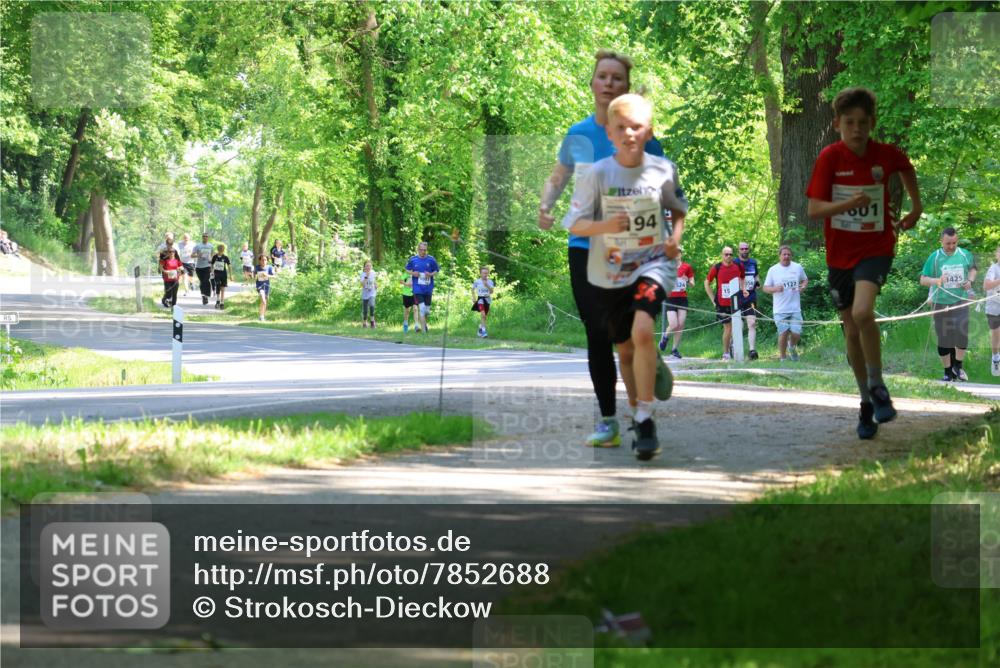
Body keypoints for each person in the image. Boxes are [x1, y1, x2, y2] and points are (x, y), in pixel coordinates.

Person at [537, 49, 668, 448]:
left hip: (630, 251)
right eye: (602, 76)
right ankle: (609, 419)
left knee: (626, 340)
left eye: (617, 78)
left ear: (626, 88)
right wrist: (546, 204)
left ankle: (640, 410)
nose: (609, 83)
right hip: (584, 248)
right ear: (593, 83)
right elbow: (558, 177)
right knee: (598, 333)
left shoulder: (646, 140)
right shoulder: (578, 135)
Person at [564, 93, 687, 461]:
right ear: (610, 132)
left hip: (652, 264)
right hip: (612, 270)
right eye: (622, 128)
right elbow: (575, 223)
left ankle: (646, 418)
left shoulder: (662, 169)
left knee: (643, 331)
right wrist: (606, 224)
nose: (630, 134)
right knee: (627, 348)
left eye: (637, 127)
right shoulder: (599, 173)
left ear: (648, 131)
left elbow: (677, 209)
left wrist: (674, 242)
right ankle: (637, 411)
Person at [806, 86, 922, 440]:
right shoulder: (830, 158)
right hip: (839, 254)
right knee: (851, 331)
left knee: (862, 312)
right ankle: (865, 403)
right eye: (849, 123)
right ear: (837, 124)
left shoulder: (885, 155)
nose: (856, 129)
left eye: (862, 123)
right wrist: (847, 204)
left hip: (876, 246)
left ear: (872, 123)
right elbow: (813, 210)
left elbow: (906, 168)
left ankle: (878, 384)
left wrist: (915, 208)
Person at [919, 227, 977, 382]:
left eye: (954, 243)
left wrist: (970, 281)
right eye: (948, 243)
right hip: (940, 302)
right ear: (941, 242)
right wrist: (935, 281)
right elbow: (923, 279)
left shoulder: (965, 255)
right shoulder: (935, 257)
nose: (951, 246)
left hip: (960, 300)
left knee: (962, 332)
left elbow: (973, 270)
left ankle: (958, 365)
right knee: (944, 337)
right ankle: (947, 372)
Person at [762, 246, 809, 362]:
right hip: (780, 309)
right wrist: (775, 289)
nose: (786, 256)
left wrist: (803, 287)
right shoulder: (773, 270)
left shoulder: (797, 267)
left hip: (795, 308)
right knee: (783, 333)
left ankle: (792, 346)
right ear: (780, 256)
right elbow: (765, 288)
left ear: (791, 256)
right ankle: (783, 358)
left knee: (796, 333)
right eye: (784, 254)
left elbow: (805, 280)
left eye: (788, 254)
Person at [704, 247, 747, 360]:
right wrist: (713, 300)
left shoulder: (738, 266)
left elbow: (743, 278)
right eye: (726, 254)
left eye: (730, 254)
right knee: (727, 328)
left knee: (740, 325)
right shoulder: (717, 267)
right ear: (722, 255)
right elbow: (707, 283)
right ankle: (726, 353)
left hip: (736, 301)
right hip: (722, 303)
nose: (728, 256)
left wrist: (743, 289)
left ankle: (733, 344)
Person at [659, 250, 693, 358]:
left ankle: (674, 349)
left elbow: (693, 283)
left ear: (681, 254)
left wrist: (687, 280)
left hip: (682, 299)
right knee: (673, 324)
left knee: (680, 324)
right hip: (670, 299)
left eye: (679, 252)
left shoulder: (687, 267)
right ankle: (665, 337)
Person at [734, 241, 761, 360]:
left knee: (752, 323)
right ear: (738, 250)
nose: (744, 250)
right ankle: (733, 346)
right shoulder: (734, 262)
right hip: (738, 298)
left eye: (746, 248)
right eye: (742, 249)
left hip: (750, 297)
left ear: (749, 250)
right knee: (738, 325)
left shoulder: (753, 262)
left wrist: (758, 282)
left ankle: (752, 350)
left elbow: (756, 276)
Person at [405, 241, 439, 333]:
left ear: (426, 250)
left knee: (427, 311)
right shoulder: (413, 259)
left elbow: (436, 270)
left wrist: (431, 274)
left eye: (424, 250)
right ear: (418, 249)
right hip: (417, 288)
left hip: (428, 288)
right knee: (422, 308)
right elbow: (407, 269)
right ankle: (424, 330)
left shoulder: (431, 259)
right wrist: (413, 273)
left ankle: (424, 324)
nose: (423, 252)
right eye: (421, 250)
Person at [984, 244, 1000, 377]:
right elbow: (986, 285)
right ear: (997, 254)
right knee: (996, 334)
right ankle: (995, 357)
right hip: (993, 307)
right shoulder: (994, 268)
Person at [191, 232, 215, 305]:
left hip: (207, 266)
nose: (205, 237)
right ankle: (204, 295)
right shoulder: (198, 246)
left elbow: (212, 256)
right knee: (202, 282)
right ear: (202, 237)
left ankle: (205, 296)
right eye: (204, 236)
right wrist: (198, 255)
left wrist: (212, 266)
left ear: (208, 238)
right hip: (199, 267)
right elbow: (192, 255)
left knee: (206, 280)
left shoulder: (211, 246)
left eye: (206, 236)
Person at [472, 266, 495, 338]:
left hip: (487, 299)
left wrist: (487, 285)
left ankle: (480, 329)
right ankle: (484, 332)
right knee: (483, 315)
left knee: (484, 317)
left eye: (486, 273)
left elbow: (491, 292)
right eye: (484, 273)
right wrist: (474, 297)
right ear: (480, 274)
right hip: (480, 299)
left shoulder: (490, 281)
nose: (485, 274)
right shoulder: (477, 281)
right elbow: (472, 289)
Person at [254, 254, 275, 321]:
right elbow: (253, 276)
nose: (264, 261)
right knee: (263, 300)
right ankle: (261, 316)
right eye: (262, 260)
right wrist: (252, 275)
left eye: (265, 260)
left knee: (264, 301)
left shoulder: (269, 267)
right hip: (259, 286)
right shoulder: (257, 267)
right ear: (259, 261)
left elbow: (275, 276)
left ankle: (262, 316)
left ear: (267, 261)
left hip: (267, 286)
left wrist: (267, 275)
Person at [211, 244, 232, 309]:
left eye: (222, 250)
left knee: (222, 288)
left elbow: (229, 266)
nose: (221, 251)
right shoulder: (215, 257)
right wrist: (212, 272)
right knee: (218, 286)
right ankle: (218, 300)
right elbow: (211, 264)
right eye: (220, 249)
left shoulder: (225, 257)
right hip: (216, 274)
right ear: (218, 249)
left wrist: (230, 275)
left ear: (223, 250)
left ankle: (222, 302)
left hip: (223, 274)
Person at [360, 261, 377, 328]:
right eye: (367, 266)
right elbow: (363, 285)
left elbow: (374, 280)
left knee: (372, 305)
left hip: (372, 292)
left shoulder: (373, 272)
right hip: (365, 293)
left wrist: (376, 284)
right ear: (364, 267)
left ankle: (372, 322)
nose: (368, 267)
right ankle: (364, 323)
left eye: (370, 266)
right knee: (365, 310)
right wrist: (366, 276)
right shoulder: (362, 274)